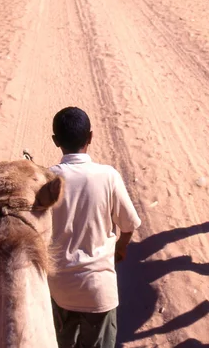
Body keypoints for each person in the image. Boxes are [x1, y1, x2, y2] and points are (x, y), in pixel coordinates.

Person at [48, 106, 141, 348]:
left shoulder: (47, 179)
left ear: (56, 141)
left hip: (59, 288)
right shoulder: (108, 176)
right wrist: (121, 246)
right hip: (99, 291)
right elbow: (129, 224)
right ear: (90, 137)